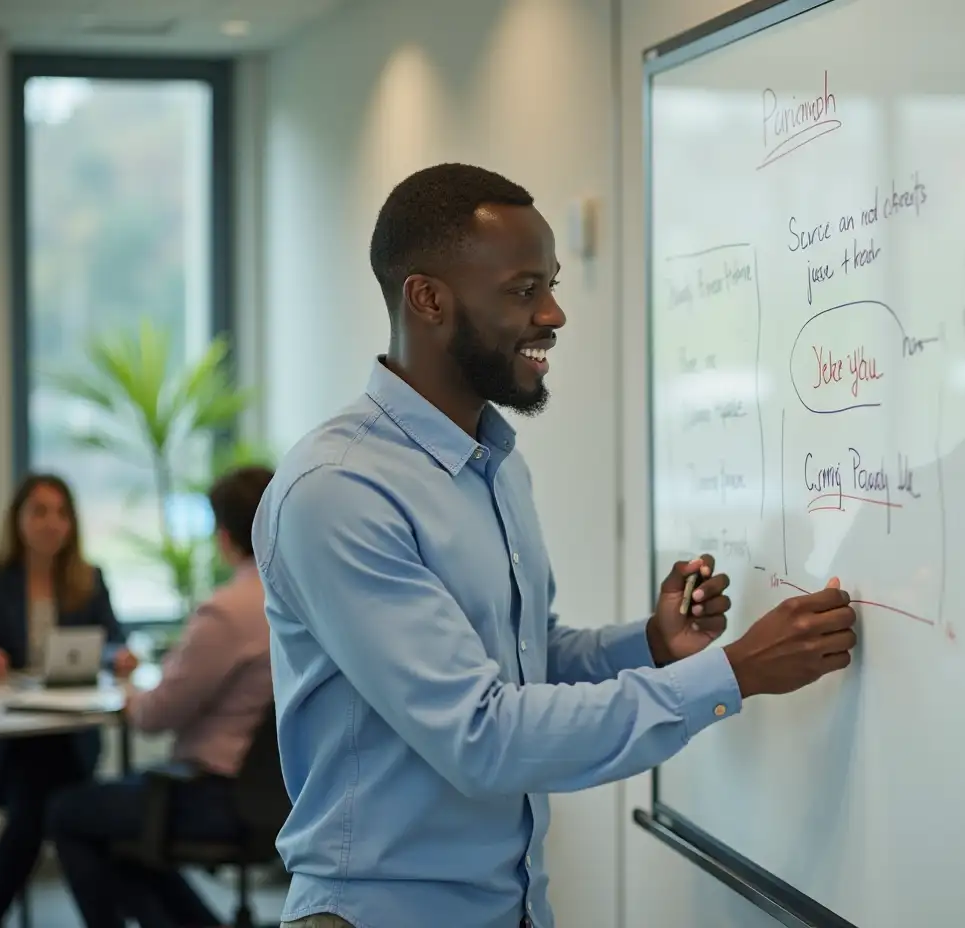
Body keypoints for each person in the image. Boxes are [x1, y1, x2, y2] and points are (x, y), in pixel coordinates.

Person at [253, 163, 857, 928]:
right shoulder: (338, 492)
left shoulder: (493, 463)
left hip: (516, 908)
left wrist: (651, 644)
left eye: (553, 284)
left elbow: (525, 658)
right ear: (429, 299)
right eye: (523, 290)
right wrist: (733, 673)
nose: (556, 314)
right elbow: (482, 736)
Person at [47, 465, 276, 928]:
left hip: (215, 794)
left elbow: (156, 715)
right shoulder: (301, 596)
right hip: (282, 795)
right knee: (122, 840)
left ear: (225, 535)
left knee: (67, 812)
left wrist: (131, 694)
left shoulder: (229, 611)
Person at [0, 473, 137, 928]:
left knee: (43, 799)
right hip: (4, 745)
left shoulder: (88, 579)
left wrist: (117, 655)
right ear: (18, 519)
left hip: (69, 735)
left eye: (61, 512)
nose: (51, 523)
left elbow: (111, 639)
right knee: (43, 800)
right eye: (39, 511)